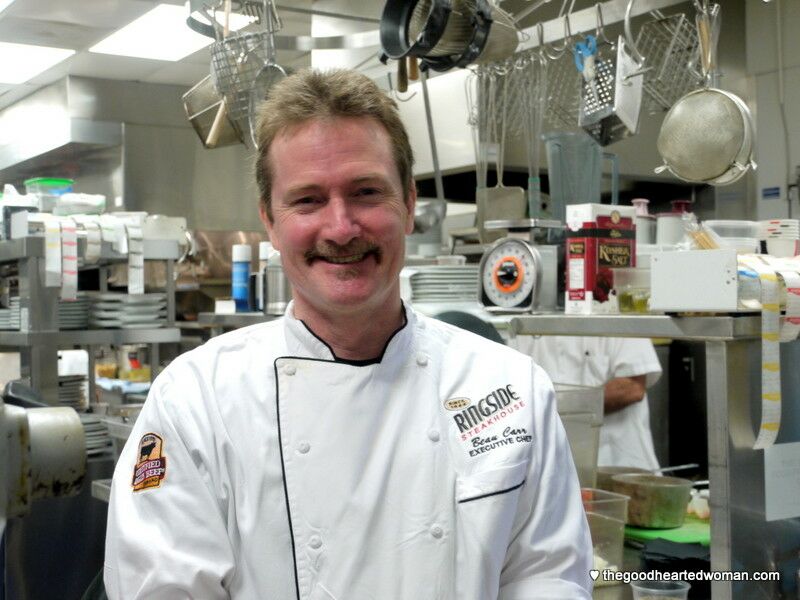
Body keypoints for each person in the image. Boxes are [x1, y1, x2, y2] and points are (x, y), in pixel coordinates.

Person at [104, 68, 592, 599]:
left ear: (408, 205)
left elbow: (549, 576)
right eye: (308, 200)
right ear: (269, 220)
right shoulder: (196, 402)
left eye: (365, 192)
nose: (340, 228)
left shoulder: (510, 387)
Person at [510, 335, 662, 470]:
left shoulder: (613, 310)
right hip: (546, 467)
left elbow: (632, 388)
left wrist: (561, 405)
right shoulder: (520, 320)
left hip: (615, 465)